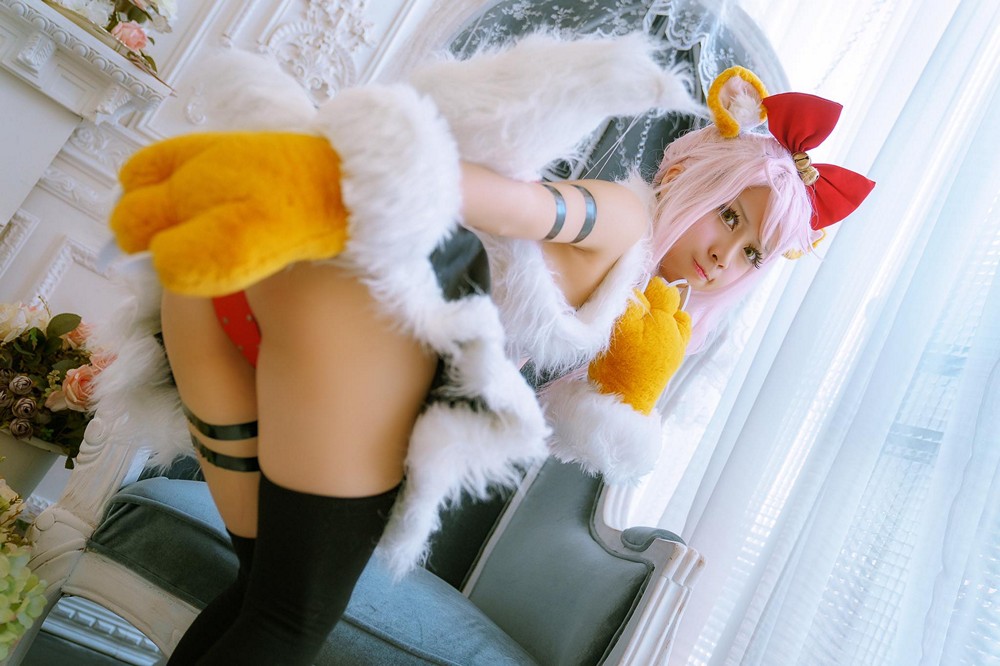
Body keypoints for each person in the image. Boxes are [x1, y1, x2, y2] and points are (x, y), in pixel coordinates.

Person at [95, 34, 872, 666]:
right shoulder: (625, 216)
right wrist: (316, 174)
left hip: (242, 313)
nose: (726, 256)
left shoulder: (632, 293)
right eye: (729, 216)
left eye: (752, 254)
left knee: (265, 598)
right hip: (344, 315)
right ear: (695, 175)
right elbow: (474, 191)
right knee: (287, 619)